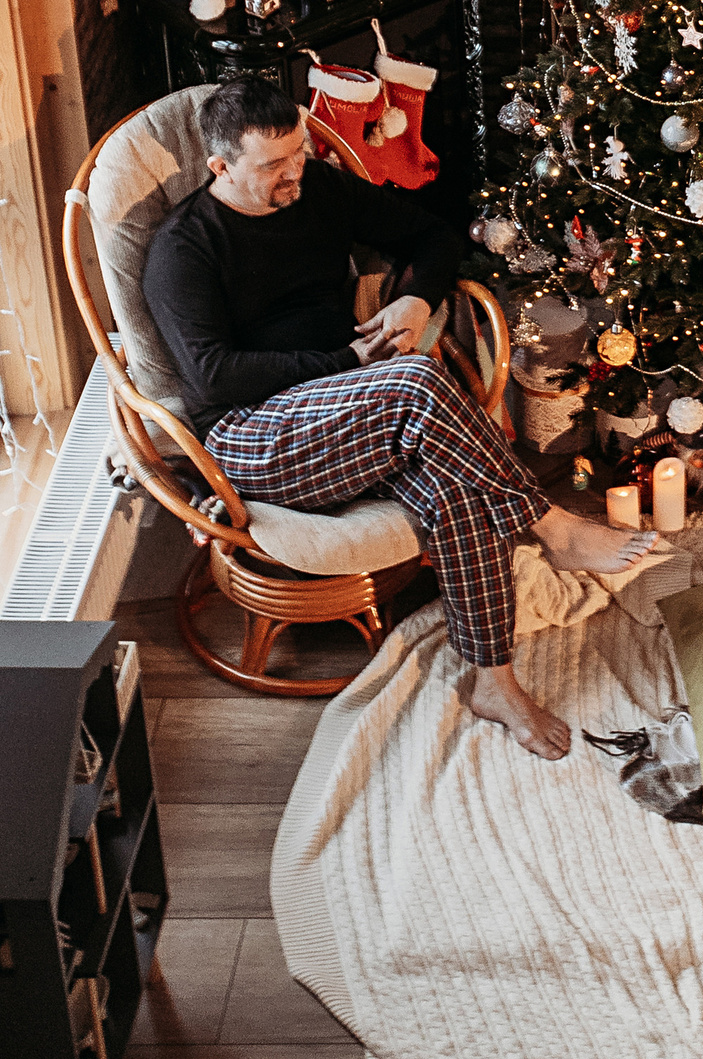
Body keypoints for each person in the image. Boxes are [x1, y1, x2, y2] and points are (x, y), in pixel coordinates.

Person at [143, 77, 648, 757]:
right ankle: (549, 523)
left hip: (353, 412)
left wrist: (416, 299)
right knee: (415, 378)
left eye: (298, 152)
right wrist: (345, 359)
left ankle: (494, 680)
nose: (294, 172)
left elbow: (432, 235)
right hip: (251, 436)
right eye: (273, 165)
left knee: (454, 486)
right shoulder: (183, 250)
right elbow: (213, 374)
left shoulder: (318, 188)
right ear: (221, 167)